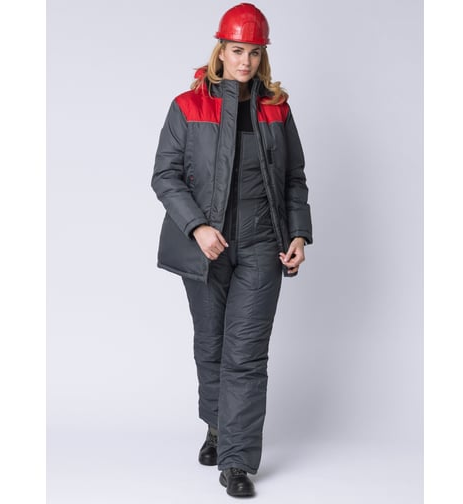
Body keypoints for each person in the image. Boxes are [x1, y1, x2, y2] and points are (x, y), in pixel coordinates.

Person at [151, 3, 313, 498]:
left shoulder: (277, 109)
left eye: (254, 52)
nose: (245, 60)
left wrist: (299, 234)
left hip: (263, 245)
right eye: (237, 50)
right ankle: (218, 428)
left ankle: (237, 461)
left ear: (263, 56)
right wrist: (197, 226)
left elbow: (294, 178)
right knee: (211, 345)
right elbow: (165, 175)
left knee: (246, 353)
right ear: (221, 50)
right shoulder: (187, 106)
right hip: (207, 247)